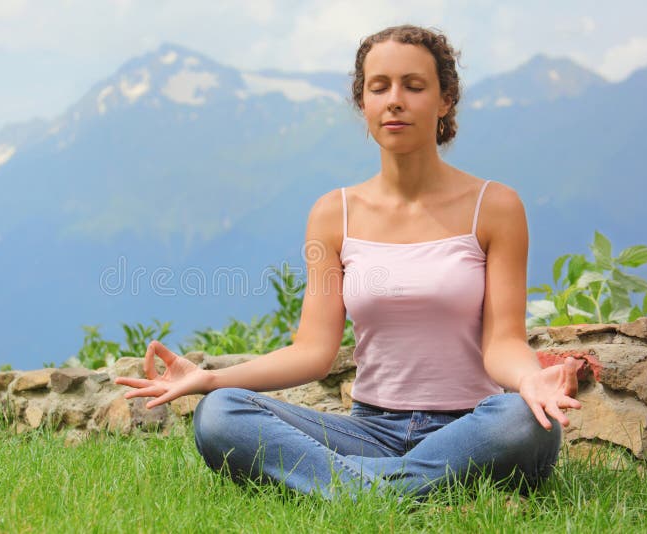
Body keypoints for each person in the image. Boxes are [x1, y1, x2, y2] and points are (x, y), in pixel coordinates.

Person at [114, 24, 582, 500]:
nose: (394, 100)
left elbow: (502, 341)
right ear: (364, 103)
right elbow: (312, 351)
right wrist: (209, 378)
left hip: (471, 428)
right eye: (379, 87)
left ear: (445, 101)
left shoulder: (496, 206)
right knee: (220, 413)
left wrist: (530, 380)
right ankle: (399, 492)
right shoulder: (332, 214)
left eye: (413, 86)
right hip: (369, 433)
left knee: (526, 420)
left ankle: (353, 491)